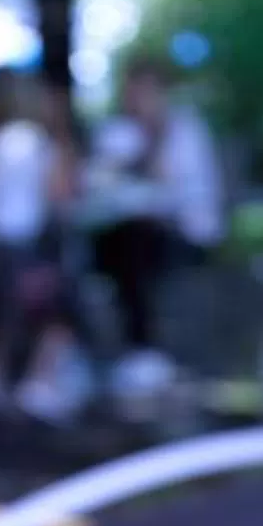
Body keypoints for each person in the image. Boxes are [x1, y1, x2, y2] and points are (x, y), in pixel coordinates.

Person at [86, 55, 224, 395]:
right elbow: (100, 183)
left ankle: (145, 352)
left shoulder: (185, 130)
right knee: (121, 243)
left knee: (135, 244)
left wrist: (154, 141)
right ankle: (132, 355)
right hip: (127, 233)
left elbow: (180, 190)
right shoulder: (117, 132)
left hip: (186, 234)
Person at [0, 64, 86, 421]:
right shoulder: (30, 141)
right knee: (66, 296)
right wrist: (61, 132)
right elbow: (62, 193)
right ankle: (40, 380)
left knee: (6, 310)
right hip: (20, 248)